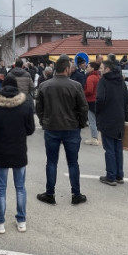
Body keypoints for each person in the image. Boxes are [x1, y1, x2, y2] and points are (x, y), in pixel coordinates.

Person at [35, 55, 89, 205]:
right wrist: (81, 123)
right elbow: (83, 107)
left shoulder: (44, 86)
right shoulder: (76, 85)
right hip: (71, 128)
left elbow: (38, 107)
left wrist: (43, 121)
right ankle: (76, 194)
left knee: (51, 162)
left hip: (51, 127)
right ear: (66, 69)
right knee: (73, 163)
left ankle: (50, 193)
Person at [0, 75, 35, 234]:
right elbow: (31, 129)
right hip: (19, 151)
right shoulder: (26, 105)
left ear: (2, 87)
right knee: (20, 187)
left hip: (0, 151)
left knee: (1, 188)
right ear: (16, 88)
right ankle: (21, 220)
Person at [95, 59, 128, 186]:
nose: (100, 70)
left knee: (109, 148)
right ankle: (119, 175)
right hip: (119, 119)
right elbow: (126, 100)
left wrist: (98, 113)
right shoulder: (121, 81)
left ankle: (111, 176)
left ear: (108, 69)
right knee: (118, 148)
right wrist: (126, 117)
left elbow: (100, 99)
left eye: (102, 68)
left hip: (107, 119)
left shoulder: (103, 81)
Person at [84, 61, 101, 146]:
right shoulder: (98, 76)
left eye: (88, 66)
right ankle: (96, 136)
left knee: (92, 120)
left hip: (90, 100)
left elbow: (89, 90)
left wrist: (83, 93)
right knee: (96, 120)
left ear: (92, 68)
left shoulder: (90, 78)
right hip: (97, 100)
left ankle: (94, 138)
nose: (87, 67)